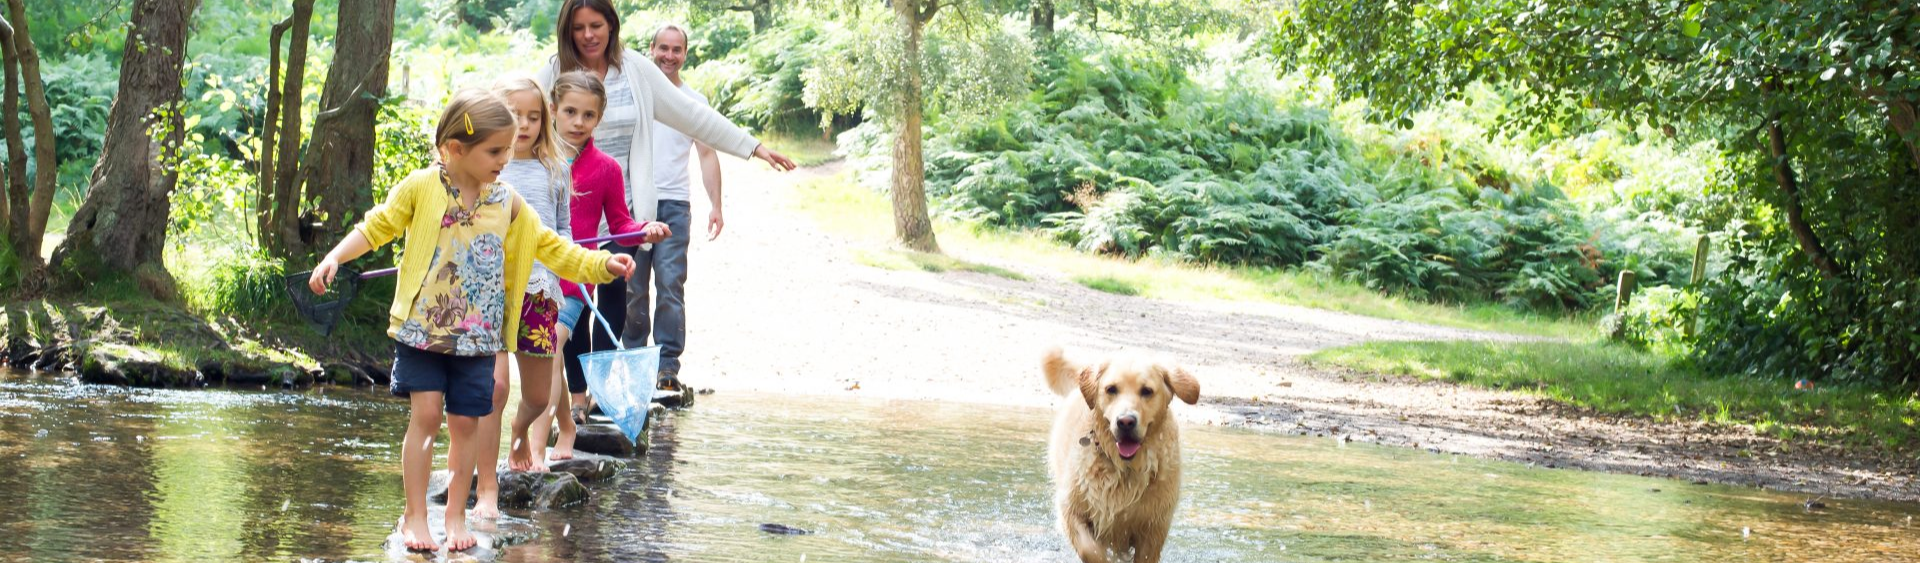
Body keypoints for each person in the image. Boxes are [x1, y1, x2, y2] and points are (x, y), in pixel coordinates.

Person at [306, 88, 636, 551]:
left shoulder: (508, 202)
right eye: (495, 150)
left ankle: (456, 518)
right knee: (424, 415)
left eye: (507, 149)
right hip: (422, 332)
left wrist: (602, 265)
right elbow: (377, 224)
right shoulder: (421, 187)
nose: (506, 157)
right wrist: (335, 258)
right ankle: (416, 516)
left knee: (464, 425)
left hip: (479, 340)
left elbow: (552, 248)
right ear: (454, 149)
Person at [536, 0, 796, 394]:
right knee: (572, 307)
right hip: (568, 213)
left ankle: (599, 393)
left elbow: (692, 115)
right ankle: (575, 397)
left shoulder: (636, 70)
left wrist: (753, 147)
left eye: (596, 25)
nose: (588, 35)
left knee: (613, 302)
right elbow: (519, 117)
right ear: (566, 30)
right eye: (578, 27)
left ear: (612, 25)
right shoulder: (554, 71)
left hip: (623, 209)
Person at [541, 70, 663, 460]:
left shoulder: (608, 168)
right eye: (570, 112)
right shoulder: (534, 160)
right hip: (532, 277)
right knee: (548, 352)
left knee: (554, 345)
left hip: (575, 278)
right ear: (553, 110)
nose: (578, 122)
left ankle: (549, 433)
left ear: (599, 118)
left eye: (588, 115)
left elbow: (621, 225)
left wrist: (645, 230)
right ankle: (568, 414)